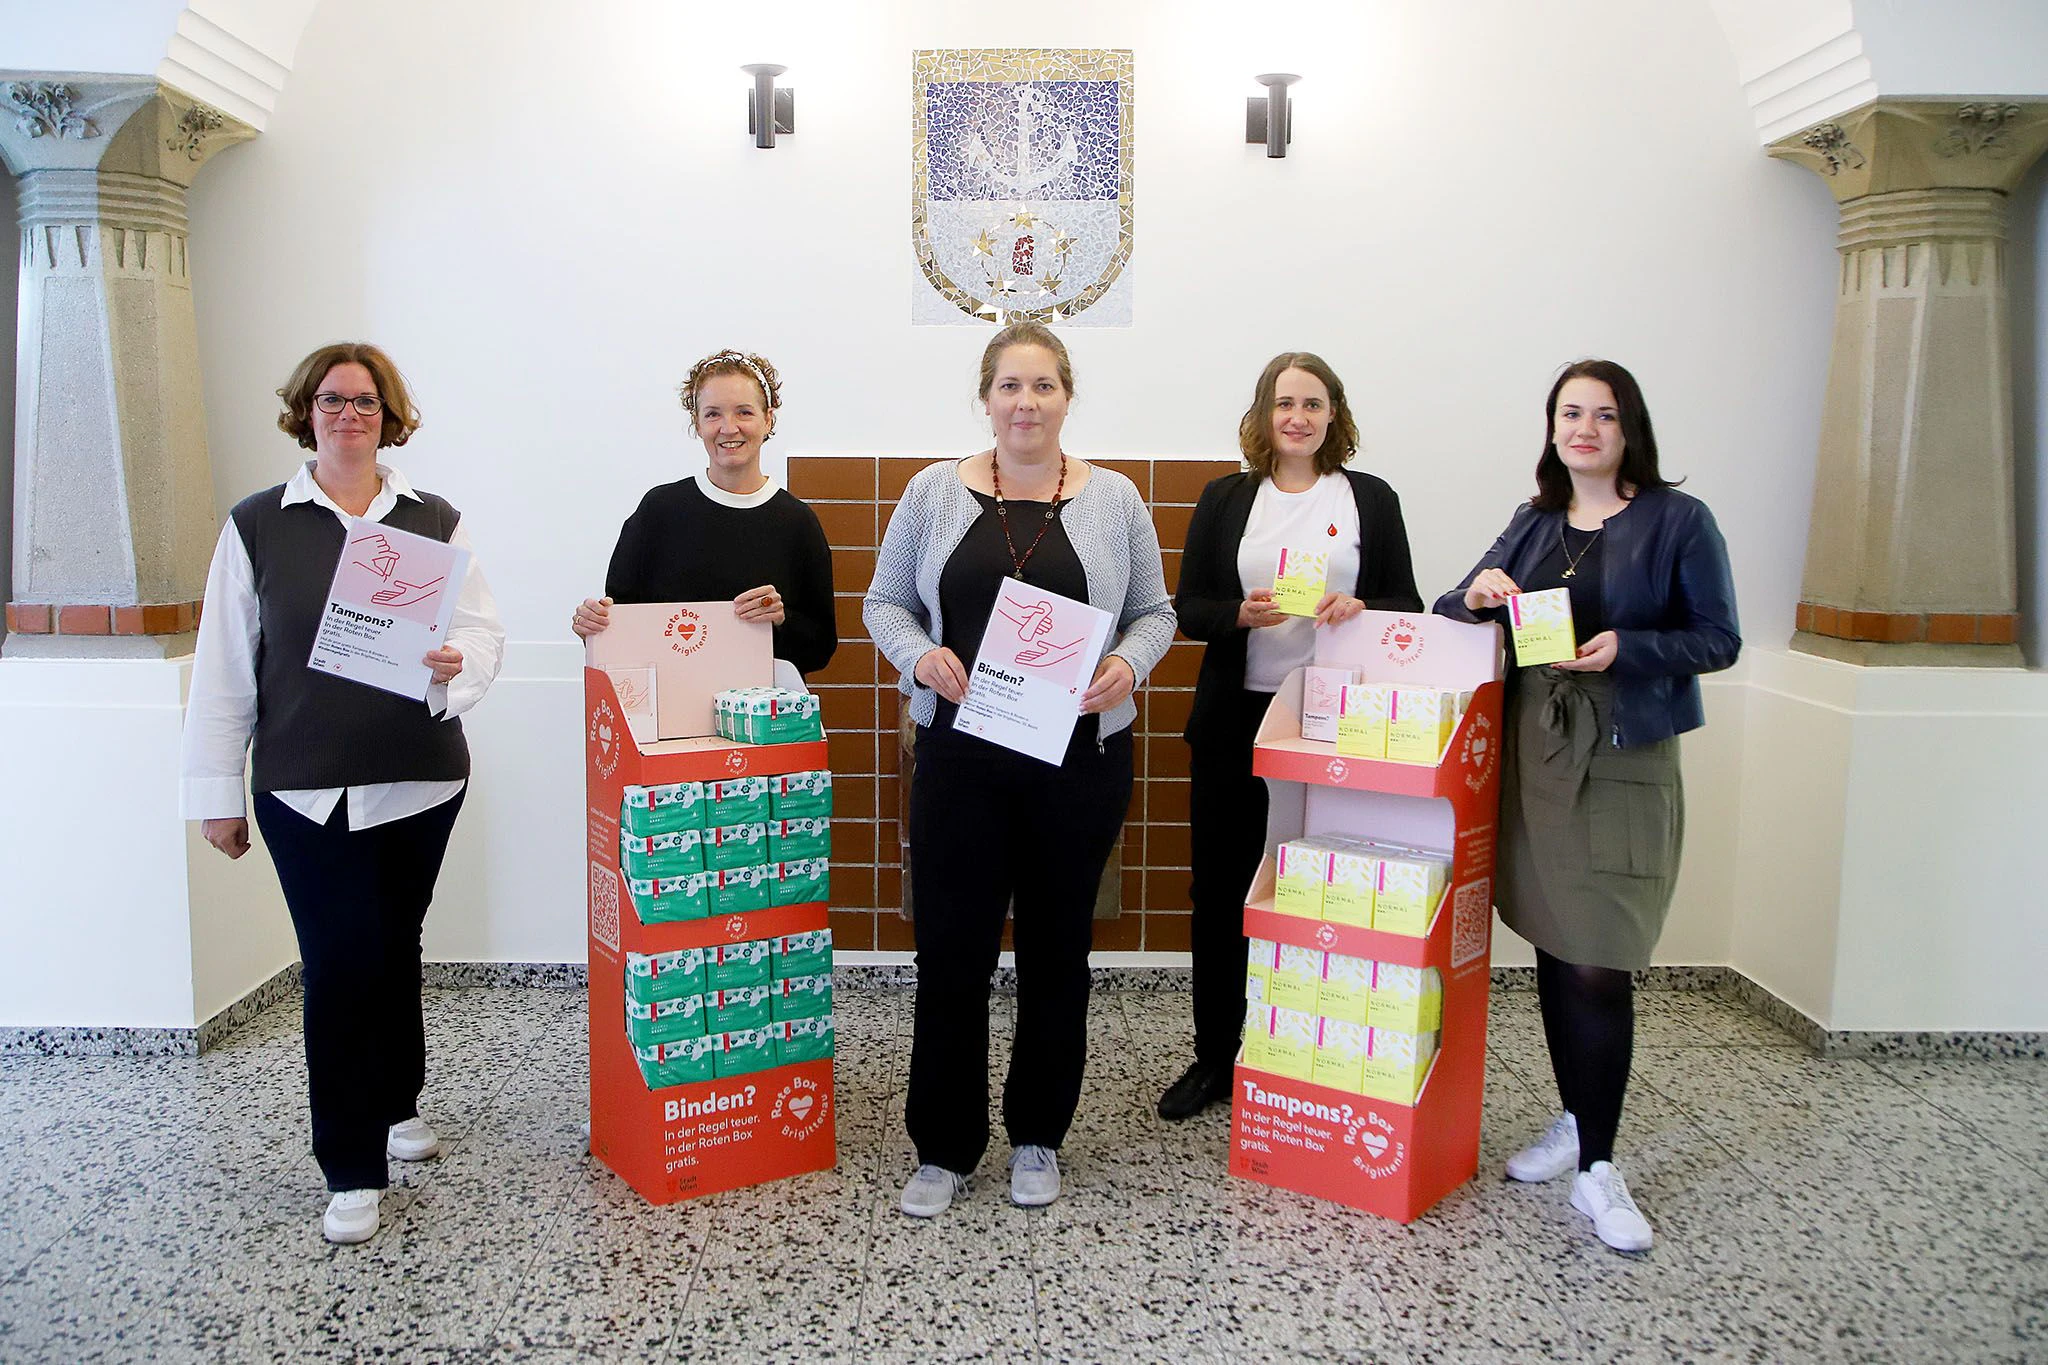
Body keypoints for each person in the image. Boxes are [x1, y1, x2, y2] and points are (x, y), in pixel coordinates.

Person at [180, 342, 505, 1245]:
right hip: (303, 790)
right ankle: (350, 1162)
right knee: (337, 963)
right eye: (332, 400)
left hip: (419, 779)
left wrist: (456, 665)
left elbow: (482, 632)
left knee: (394, 942)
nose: (349, 415)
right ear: (304, 411)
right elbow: (222, 669)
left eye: (365, 402)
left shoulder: (432, 519)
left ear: (388, 415)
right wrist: (218, 792)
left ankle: (397, 1105)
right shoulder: (256, 525)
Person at [864, 320, 1177, 1217]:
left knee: (1057, 953)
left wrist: (1128, 665)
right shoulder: (933, 492)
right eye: (1009, 386)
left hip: (1078, 761)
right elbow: (884, 601)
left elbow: (1153, 611)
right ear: (986, 396)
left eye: (1043, 386)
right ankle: (944, 1146)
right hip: (961, 757)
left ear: (1067, 396)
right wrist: (919, 657)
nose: (1025, 403)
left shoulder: (1116, 500)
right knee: (951, 955)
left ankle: (1039, 1132)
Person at [1435, 358, 1739, 1252]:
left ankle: (1601, 1167)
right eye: (1571, 413)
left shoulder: (1678, 519)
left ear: (1628, 427)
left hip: (1620, 750)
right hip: (1536, 751)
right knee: (1558, 944)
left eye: (1604, 415)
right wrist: (1479, 595)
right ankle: (1576, 1121)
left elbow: (1717, 637)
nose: (1585, 428)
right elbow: (1459, 600)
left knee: (1600, 955)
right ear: (1552, 426)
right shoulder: (1534, 521)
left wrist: (1628, 647)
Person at [1160, 352, 1422, 1121]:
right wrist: (1238, 613)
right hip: (1237, 718)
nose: (1298, 416)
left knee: (1323, 885)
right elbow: (1189, 606)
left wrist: (1359, 604)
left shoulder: (1369, 498)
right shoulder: (1227, 498)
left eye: (1313, 402)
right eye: (1284, 403)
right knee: (1221, 889)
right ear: (1263, 415)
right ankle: (1218, 1056)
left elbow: (1406, 596)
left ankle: (1315, 1047)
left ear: (1334, 413)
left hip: (1335, 718)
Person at [571, 349, 836, 674]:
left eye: (744, 412)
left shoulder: (798, 524)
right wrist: (594, 626)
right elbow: (622, 623)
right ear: (697, 423)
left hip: (764, 719)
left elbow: (821, 648)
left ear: (768, 418)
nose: (729, 428)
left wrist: (780, 620)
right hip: (669, 711)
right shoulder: (658, 513)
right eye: (712, 414)